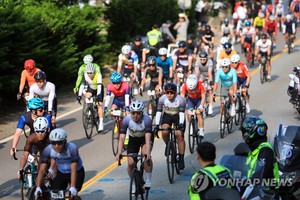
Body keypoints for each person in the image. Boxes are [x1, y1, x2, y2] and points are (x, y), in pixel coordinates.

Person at [34, 128, 85, 199]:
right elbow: (42, 170)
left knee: (72, 195)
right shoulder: (48, 150)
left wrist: (72, 187)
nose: (57, 146)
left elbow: (73, 170)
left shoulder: (72, 148)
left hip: (77, 172)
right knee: (55, 196)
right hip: (61, 173)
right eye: (54, 143)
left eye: (60, 143)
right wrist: (38, 187)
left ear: (65, 142)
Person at [115, 100, 154, 190]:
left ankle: (148, 179)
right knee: (131, 163)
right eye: (133, 113)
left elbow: (148, 138)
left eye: (138, 113)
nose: (135, 115)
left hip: (145, 138)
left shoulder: (147, 120)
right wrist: (119, 152)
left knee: (145, 156)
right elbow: (121, 138)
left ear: (141, 113)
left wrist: (148, 153)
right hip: (133, 139)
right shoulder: (126, 120)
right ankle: (133, 183)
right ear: (130, 113)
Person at [154, 83, 186, 169]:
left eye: (171, 93)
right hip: (167, 116)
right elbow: (159, 112)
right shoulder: (162, 99)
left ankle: (182, 158)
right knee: (164, 132)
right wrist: (157, 125)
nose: (169, 95)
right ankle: (168, 145)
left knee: (179, 135)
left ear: (175, 92)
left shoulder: (180, 99)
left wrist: (181, 125)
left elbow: (182, 114)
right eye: (167, 93)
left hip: (178, 116)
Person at [241, 116, 279, 185]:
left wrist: (242, 183)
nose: (244, 136)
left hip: (268, 191)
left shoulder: (265, 151)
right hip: (254, 189)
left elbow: (260, 174)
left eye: (245, 132)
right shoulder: (255, 148)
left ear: (252, 133)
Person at [77, 63, 104, 132]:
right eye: (88, 73)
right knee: (87, 95)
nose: (89, 74)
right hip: (91, 88)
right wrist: (79, 95)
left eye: (91, 73)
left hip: (98, 88)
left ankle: (101, 122)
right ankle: (89, 109)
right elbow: (82, 85)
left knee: (99, 104)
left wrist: (98, 95)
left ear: (94, 72)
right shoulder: (85, 75)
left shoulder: (98, 75)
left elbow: (99, 86)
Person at [180, 74, 206, 140]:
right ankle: (191, 125)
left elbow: (203, 97)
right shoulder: (185, 85)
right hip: (190, 100)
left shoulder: (201, 85)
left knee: (198, 114)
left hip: (199, 100)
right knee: (189, 113)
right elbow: (182, 97)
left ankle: (201, 130)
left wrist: (201, 106)